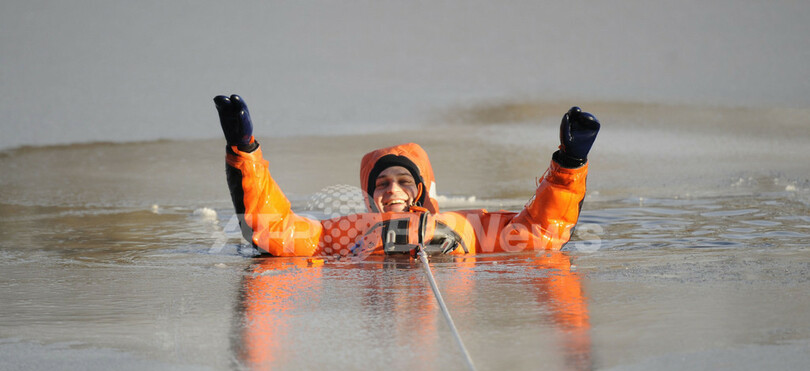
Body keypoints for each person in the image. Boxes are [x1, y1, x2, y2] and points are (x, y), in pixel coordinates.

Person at [214, 95, 600, 257]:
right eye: (382, 183)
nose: (393, 190)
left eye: (403, 181)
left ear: (423, 189)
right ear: (369, 195)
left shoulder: (468, 227)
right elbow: (275, 229)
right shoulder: (337, 234)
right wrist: (245, 150)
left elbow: (540, 232)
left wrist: (569, 163)